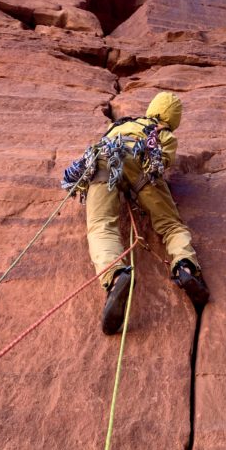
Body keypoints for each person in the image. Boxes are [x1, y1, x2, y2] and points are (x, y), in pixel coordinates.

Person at [62, 92, 209, 334]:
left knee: (101, 225)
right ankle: (185, 267)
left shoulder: (119, 125)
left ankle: (116, 275)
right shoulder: (164, 135)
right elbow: (162, 162)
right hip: (142, 168)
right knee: (171, 225)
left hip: (104, 162)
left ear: (152, 108)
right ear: (174, 119)